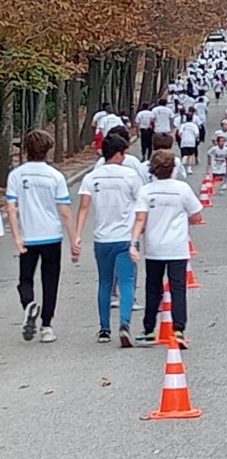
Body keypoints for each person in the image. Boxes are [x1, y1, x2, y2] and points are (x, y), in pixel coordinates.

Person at [6, 130, 77, 343]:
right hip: (52, 236)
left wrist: (17, 236)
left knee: (25, 279)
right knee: (50, 280)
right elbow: (64, 211)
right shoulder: (55, 176)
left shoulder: (16, 175)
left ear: (26, 150)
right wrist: (74, 238)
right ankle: (47, 325)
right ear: (48, 150)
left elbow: (11, 208)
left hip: (28, 236)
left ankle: (29, 304)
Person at [75, 134, 143, 346]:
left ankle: (104, 329)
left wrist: (77, 235)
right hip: (126, 237)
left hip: (102, 238)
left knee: (105, 282)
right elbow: (141, 206)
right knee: (126, 281)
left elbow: (84, 207)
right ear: (118, 153)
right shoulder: (130, 176)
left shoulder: (92, 177)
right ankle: (124, 324)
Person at [131, 151, 203, 349]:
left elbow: (140, 219)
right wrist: (183, 221)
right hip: (177, 246)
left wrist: (133, 242)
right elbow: (196, 215)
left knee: (153, 288)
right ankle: (178, 330)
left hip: (154, 246)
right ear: (173, 168)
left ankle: (148, 330)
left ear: (152, 169)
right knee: (178, 288)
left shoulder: (146, 191)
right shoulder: (182, 189)